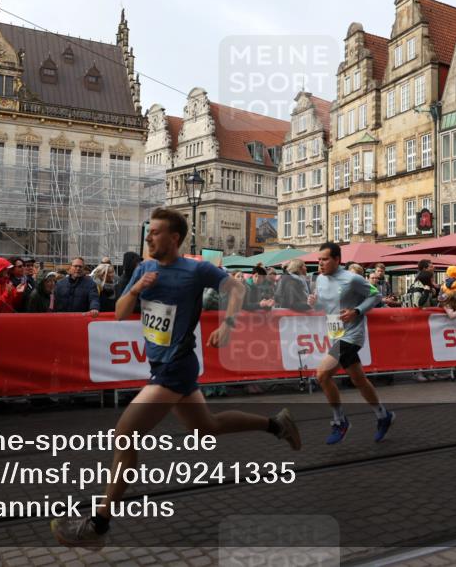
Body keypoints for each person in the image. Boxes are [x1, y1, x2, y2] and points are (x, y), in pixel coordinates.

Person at [50, 208, 301, 549]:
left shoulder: (195, 270)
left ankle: (99, 525)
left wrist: (228, 324)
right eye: (149, 232)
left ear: (174, 238)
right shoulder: (144, 268)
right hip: (161, 366)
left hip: (175, 367)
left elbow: (237, 291)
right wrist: (136, 287)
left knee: (125, 435)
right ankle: (276, 424)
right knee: (206, 427)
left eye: (155, 232)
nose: (149, 237)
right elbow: (122, 313)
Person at [307, 242, 391, 446]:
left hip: (352, 335)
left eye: (325, 259)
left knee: (322, 374)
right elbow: (326, 306)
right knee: (359, 380)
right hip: (335, 333)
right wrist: (314, 303)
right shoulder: (319, 279)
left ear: (337, 260)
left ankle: (339, 421)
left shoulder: (352, 279)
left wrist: (357, 311)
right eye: (319, 259)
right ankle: (383, 415)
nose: (320, 263)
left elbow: (376, 295)